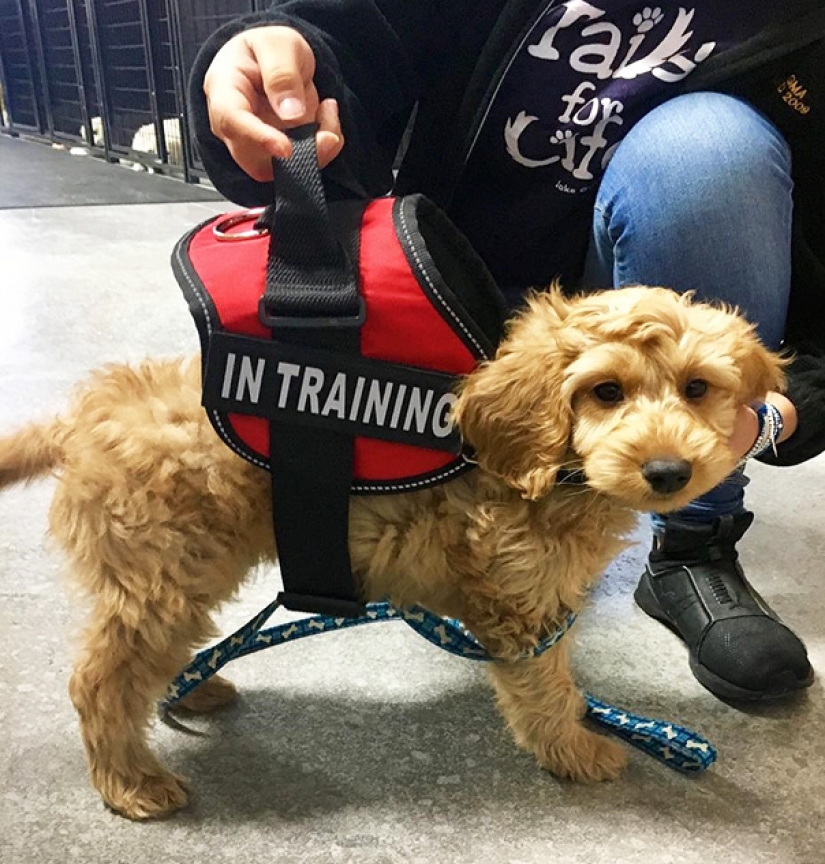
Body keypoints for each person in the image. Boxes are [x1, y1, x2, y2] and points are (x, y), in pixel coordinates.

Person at [188, 2, 825, 702]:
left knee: (705, 147)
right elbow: (358, 33)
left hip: (666, 300)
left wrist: (773, 413)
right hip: (452, 290)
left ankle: (693, 541)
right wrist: (269, 52)